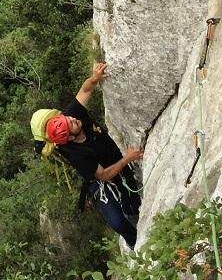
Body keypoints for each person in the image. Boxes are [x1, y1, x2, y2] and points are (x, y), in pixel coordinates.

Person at [30, 61, 144, 247]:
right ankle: (135, 243)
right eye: (71, 124)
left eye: (68, 118)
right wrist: (128, 158)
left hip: (113, 161)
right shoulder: (77, 154)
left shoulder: (71, 117)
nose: (73, 119)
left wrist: (95, 78)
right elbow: (104, 175)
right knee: (118, 221)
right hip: (103, 175)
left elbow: (84, 91)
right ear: (70, 138)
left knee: (132, 204)